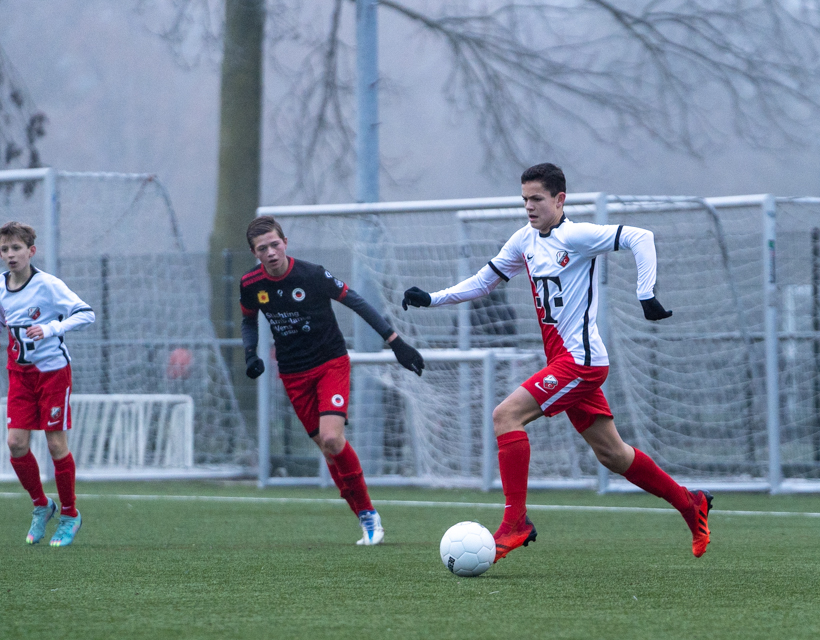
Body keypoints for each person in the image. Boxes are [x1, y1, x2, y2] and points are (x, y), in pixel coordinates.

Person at [402, 163, 712, 561]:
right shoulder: (524, 240)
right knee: (613, 455)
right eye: (524, 200)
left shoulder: (577, 236)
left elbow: (640, 236)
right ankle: (691, 504)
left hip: (581, 363)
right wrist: (433, 297)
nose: (529, 207)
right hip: (566, 361)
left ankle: (515, 522)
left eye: (537, 199)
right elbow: (484, 281)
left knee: (505, 416)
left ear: (559, 200)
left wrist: (645, 293)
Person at [240, 216, 425, 545]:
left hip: (330, 364)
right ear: (255, 253)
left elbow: (355, 301)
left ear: (285, 242)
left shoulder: (311, 274)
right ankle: (363, 516)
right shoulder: (251, 284)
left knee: (331, 438)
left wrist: (394, 340)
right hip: (293, 374)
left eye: (274, 244)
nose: (270, 252)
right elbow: (249, 321)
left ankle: (368, 515)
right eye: (262, 248)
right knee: (328, 450)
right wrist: (250, 354)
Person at [0, 221, 95, 547]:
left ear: (31, 251)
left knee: (55, 445)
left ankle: (70, 514)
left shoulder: (47, 285)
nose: (10, 255)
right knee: (16, 444)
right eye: (5, 249)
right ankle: (41, 505)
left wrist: (50, 329)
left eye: (16, 248)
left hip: (52, 373)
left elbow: (85, 313)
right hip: (19, 374)